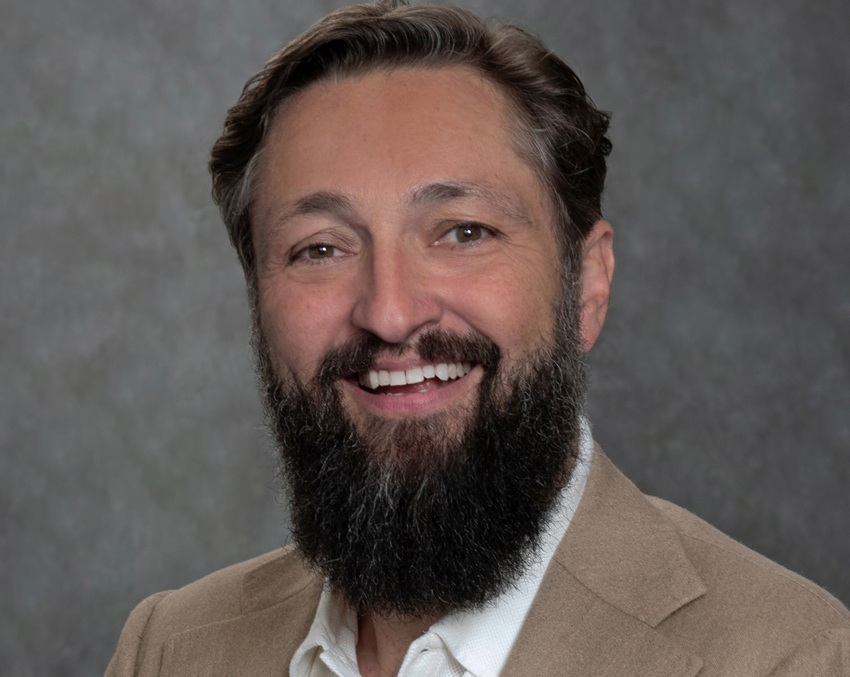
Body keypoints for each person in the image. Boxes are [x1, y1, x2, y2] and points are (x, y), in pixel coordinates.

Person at [106, 1, 850, 675]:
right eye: (321, 248)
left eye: (464, 232)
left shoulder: (789, 656)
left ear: (587, 284)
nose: (390, 313)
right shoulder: (170, 649)